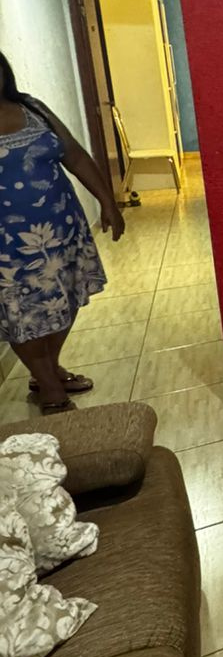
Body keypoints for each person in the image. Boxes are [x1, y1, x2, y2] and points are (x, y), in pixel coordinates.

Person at [0, 50, 125, 413]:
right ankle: (51, 389)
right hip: (8, 248)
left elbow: (74, 155)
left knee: (64, 300)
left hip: (62, 233)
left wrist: (107, 201)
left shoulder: (33, 108)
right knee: (22, 314)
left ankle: (47, 370)